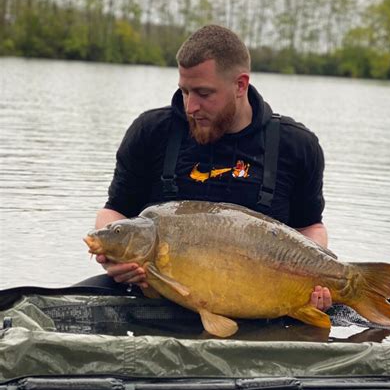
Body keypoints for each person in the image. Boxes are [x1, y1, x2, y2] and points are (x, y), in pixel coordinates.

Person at [92, 24, 332, 311]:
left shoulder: (296, 145)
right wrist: (116, 257)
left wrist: (322, 275)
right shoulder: (151, 132)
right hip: (157, 303)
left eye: (204, 93)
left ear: (240, 85)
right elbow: (114, 210)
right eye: (184, 91)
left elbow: (310, 226)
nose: (190, 107)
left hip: (261, 307)